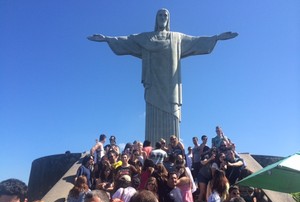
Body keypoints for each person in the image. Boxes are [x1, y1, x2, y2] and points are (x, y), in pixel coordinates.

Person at [88, 8, 238, 145]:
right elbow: (128, 40)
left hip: (170, 86)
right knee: (152, 113)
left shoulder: (177, 38)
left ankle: (172, 149)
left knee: (172, 114)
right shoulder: (146, 38)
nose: (162, 17)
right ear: (156, 18)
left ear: (168, 18)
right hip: (153, 84)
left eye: (165, 15)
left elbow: (196, 41)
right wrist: (108, 39)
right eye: (160, 15)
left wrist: (216, 38)